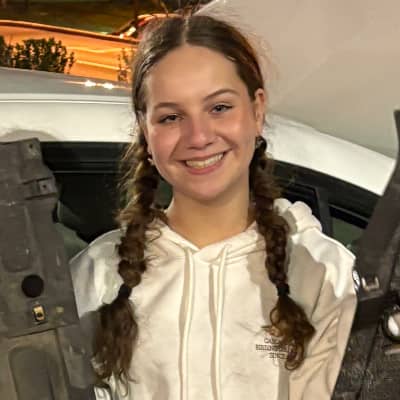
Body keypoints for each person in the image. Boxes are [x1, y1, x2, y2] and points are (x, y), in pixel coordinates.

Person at [70, 14, 357, 400]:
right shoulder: (97, 275)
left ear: (257, 110)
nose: (199, 136)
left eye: (219, 108)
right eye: (171, 117)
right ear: (145, 129)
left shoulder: (325, 276)